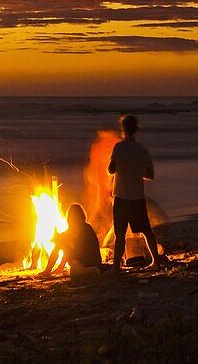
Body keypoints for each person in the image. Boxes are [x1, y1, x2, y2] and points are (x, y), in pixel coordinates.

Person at [107, 114, 164, 270]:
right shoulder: (142, 151)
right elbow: (150, 175)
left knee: (120, 234)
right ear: (136, 130)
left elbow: (111, 169)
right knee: (146, 230)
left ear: (123, 129)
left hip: (121, 196)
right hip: (137, 196)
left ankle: (115, 267)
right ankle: (156, 262)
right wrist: (136, 172)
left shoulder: (119, 148)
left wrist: (121, 169)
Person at [40, 203, 104, 277]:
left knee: (61, 242)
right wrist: (58, 237)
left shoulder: (83, 228)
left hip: (86, 262)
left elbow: (65, 242)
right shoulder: (86, 226)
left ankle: (48, 270)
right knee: (61, 242)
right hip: (93, 261)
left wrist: (58, 237)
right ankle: (57, 269)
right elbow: (66, 240)